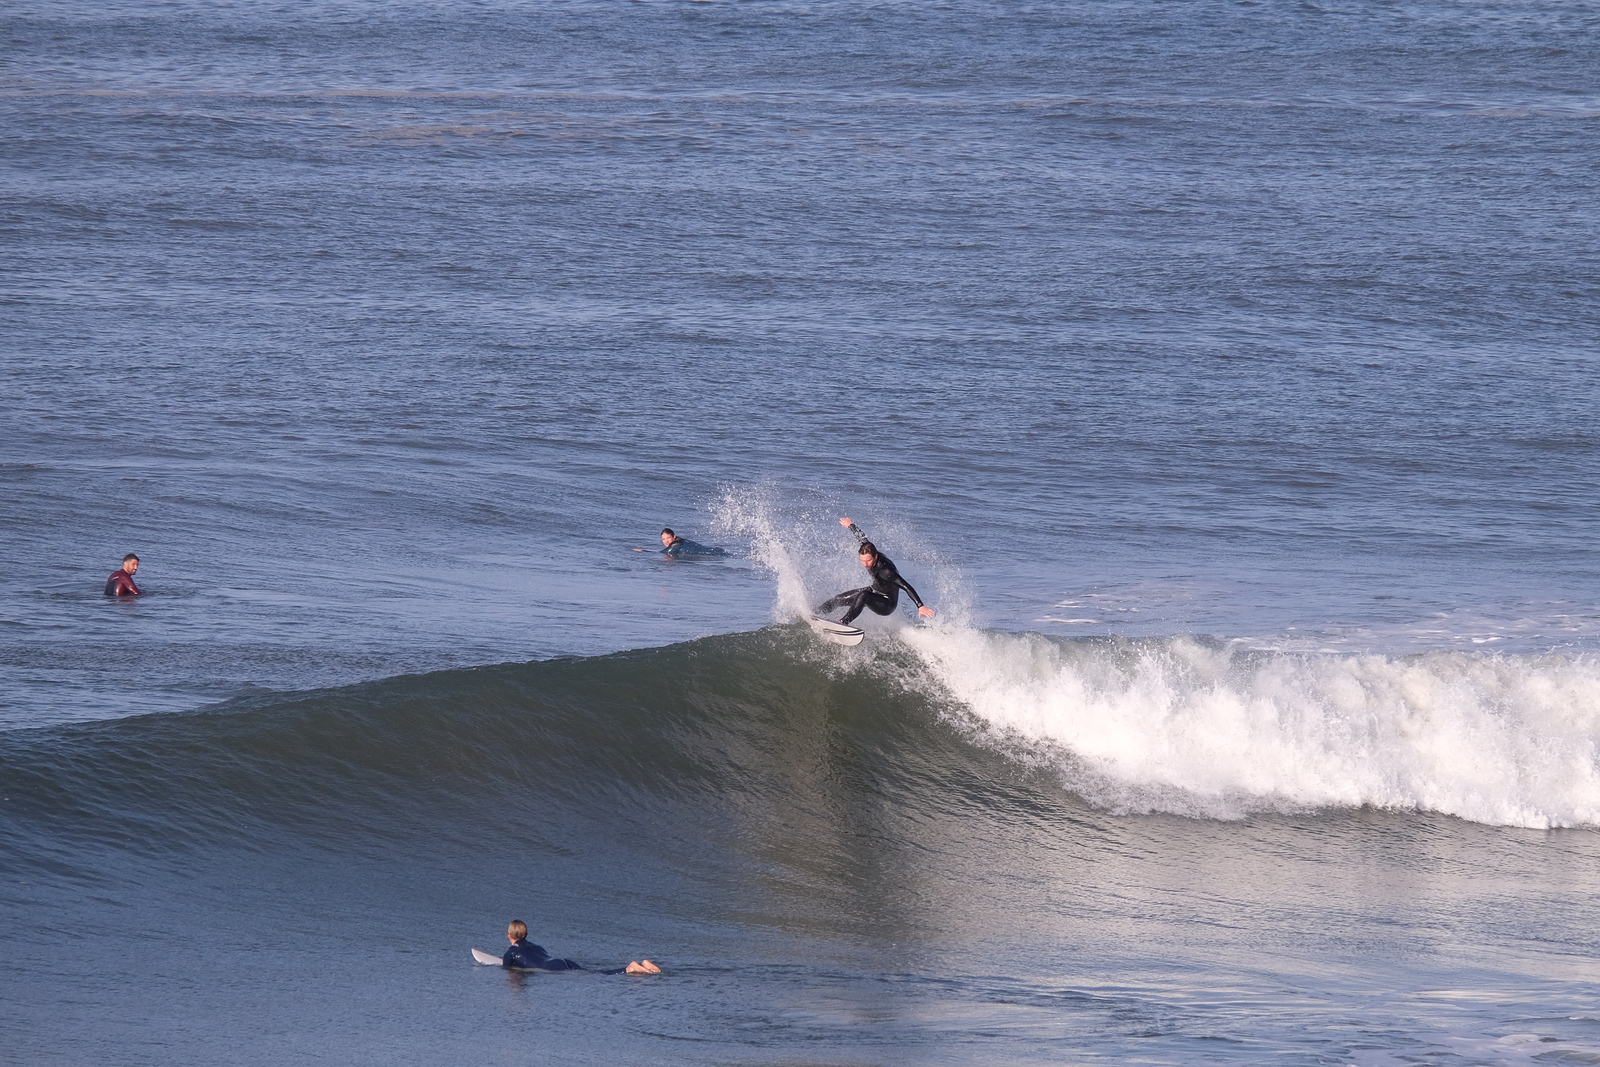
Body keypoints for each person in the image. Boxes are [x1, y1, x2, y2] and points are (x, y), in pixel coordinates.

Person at [815, 518, 935, 626]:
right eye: (862, 561)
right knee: (838, 599)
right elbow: (862, 539)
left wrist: (920, 606)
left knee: (863, 595)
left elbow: (906, 586)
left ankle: (843, 623)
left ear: (875, 556)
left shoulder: (886, 571)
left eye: (868, 561)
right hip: (874, 591)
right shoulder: (867, 549)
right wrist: (851, 525)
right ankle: (816, 613)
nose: (866, 564)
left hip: (886, 604)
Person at [500, 921, 661, 976]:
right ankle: (645, 965)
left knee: (595, 976)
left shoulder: (511, 952)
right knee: (590, 972)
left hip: (552, 968)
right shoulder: (535, 946)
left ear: (509, 935)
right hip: (561, 961)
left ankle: (629, 969)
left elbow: (507, 968)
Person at [653, 528, 727, 558]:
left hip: (715, 554)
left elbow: (663, 553)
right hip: (716, 551)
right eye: (663, 539)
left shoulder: (675, 545)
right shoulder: (680, 542)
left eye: (668, 538)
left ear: (674, 537)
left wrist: (643, 551)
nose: (666, 541)